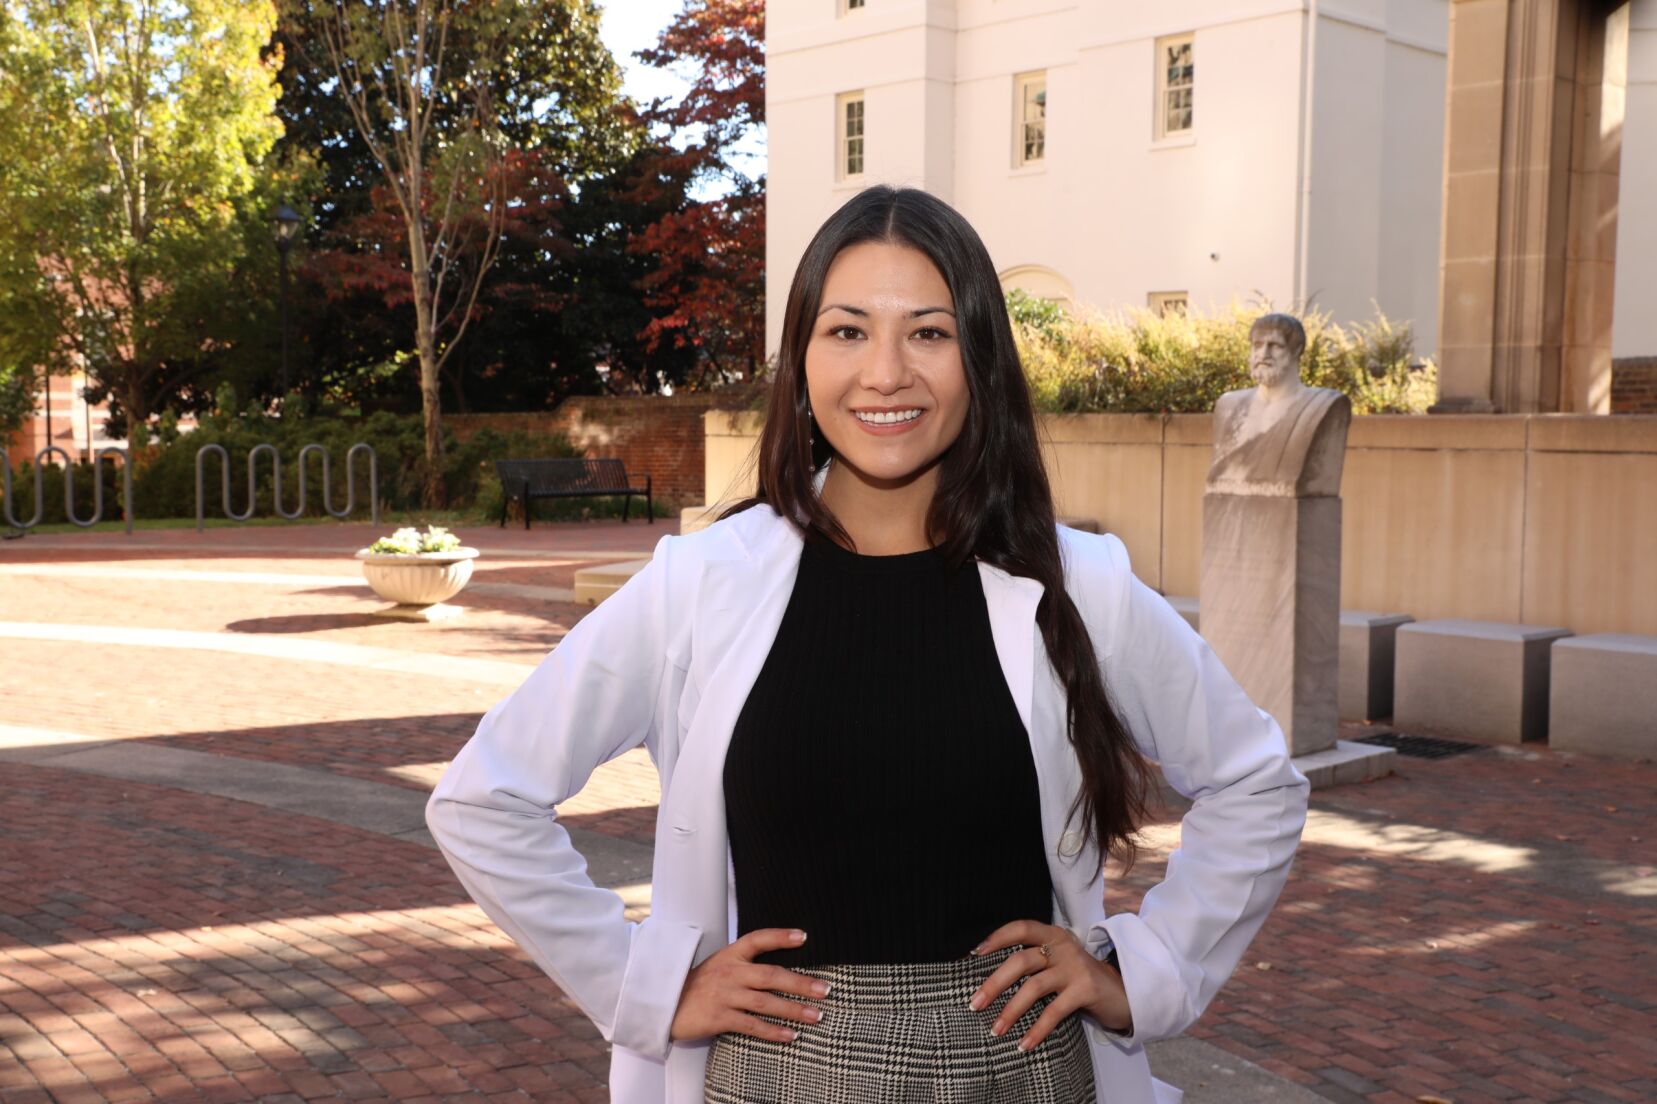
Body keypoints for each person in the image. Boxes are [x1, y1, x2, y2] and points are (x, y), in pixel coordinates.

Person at [426, 186, 1309, 1104]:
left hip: (1022, 1076)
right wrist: (643, 987)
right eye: (847, 331)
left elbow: (1255, 784)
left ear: (980, 359)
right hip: (775, 1077)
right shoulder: (701, 584)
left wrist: (1140, 975)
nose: (885, 373)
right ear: (801, 357)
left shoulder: (1078, 584)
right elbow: (484, 800)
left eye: (927, 332)